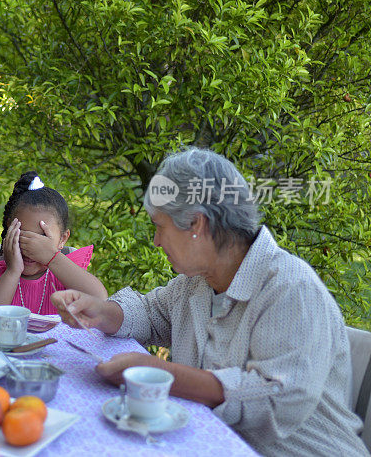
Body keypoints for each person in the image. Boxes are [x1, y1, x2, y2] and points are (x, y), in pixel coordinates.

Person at [52, 148, 368, 457]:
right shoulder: (198, 282)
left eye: (160, 227)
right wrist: (100, 311)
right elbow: (151, 313)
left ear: (197, 224)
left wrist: (160, 373)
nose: (157, 240)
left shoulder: (290, 287)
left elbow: (279, 397)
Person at [0, 171, 107, 316]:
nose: (31, 247)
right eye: (22, 235)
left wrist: (51, 257)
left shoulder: (66, 275)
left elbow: (100, 300)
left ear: (62, 239)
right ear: (9, 232)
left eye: (42, 237)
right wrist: (12, 272)